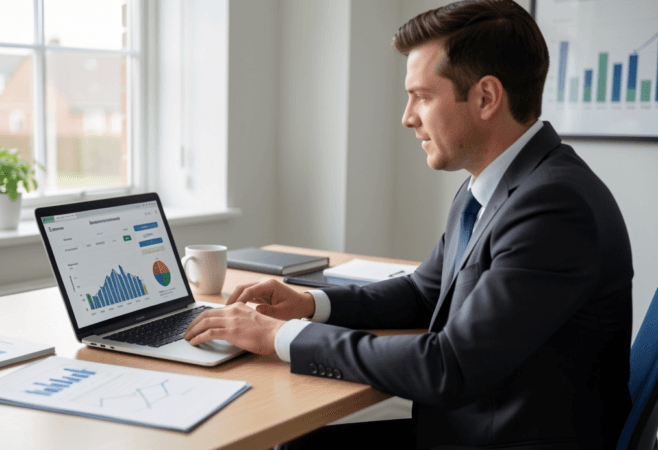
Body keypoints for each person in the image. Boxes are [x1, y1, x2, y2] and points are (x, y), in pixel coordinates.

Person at [184, 0, 634, 448]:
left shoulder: (555, 207)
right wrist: (308, 305)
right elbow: (424, 292)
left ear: (485, 97)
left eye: (422, 96)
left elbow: (448, 367)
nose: (407, 117)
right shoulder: (492, 185)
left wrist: (280, 336)